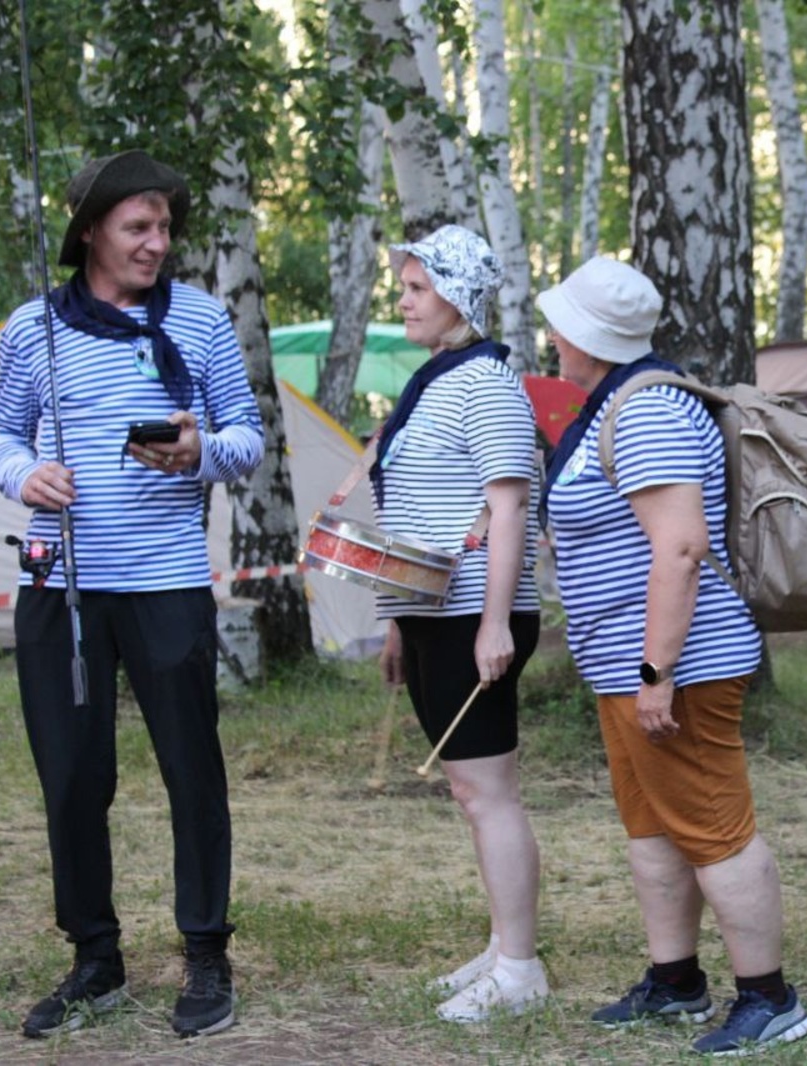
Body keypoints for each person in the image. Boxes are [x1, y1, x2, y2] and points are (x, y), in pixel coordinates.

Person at [0, 150, 264, 1038]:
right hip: (61, 587)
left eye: (164, 228)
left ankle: (207, 954)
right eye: (138, 227)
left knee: (192, 771)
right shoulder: (35, 328)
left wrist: (199, 453)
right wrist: (28, 475)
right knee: (72, 777)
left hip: (167, 582)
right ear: (92, 231)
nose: (156, 243)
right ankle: (95, 960)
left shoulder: (203, 318)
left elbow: (248, 439)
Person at [537, 256, 807, 1056]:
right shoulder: (614, 406)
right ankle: (676, 981)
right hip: (626, 663)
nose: (552, 336)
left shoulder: (651, 410)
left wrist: (656, 670)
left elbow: (682, 547)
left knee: (715, 828)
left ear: (585, 336)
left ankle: (770, 997)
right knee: (654, 826)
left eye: (561, 324)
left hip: (673, 664)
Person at [372, 225, 549, 1023]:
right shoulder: (441, 379)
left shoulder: (485, 383)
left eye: (415, 288)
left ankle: (519, 971)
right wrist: (400, 623)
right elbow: (423, 511)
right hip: (434, 616)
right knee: (471, 793)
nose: (402, 300)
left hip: (478, 615)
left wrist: (493, 622)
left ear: (457, 298)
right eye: (404, 286)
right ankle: (500, 945)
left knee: (490, 795)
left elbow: (507, 506)